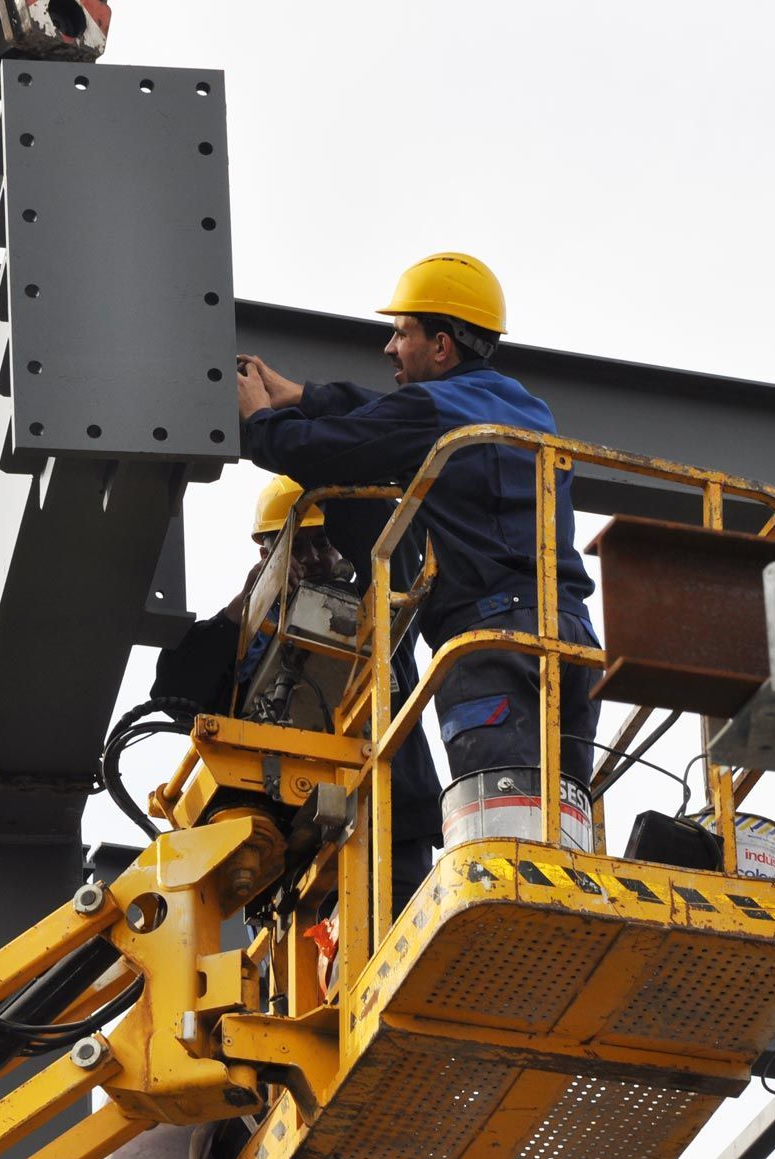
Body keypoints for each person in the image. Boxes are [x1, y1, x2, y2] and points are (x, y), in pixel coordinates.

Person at [235, 251, 600, 789]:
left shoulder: (432, 414)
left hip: (491, 642)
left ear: (441, 345)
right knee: (561, 822)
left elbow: (323, 450)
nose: (390, 346)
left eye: (402, 333)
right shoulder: (527, 409)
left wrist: (262, 418)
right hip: (572, 637)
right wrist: (305, 394)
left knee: (498, 827)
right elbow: (385, 413)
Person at [152, 476, 444, 907]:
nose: (310, 559)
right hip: (286, 847)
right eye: (296, 546)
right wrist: (242, 610)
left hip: (387, 816)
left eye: (322, 543)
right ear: (266, 554)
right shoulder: (245, 633)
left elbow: (400, 551)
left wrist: (331, 465)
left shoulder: (375, 606)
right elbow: (173, 695)